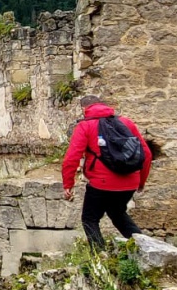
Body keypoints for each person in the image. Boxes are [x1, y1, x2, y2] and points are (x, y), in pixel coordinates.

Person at [61, 95, 153, 248]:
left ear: (84, 109)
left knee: (90, 219)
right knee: (117, 214)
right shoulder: (126, 123)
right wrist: (141, 182)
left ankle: (99, 257)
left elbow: (72, 158)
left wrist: (68, 185)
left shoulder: (86, 126)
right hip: (130, 182)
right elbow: (146, 154)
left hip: (101, 184)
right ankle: (147, 248)